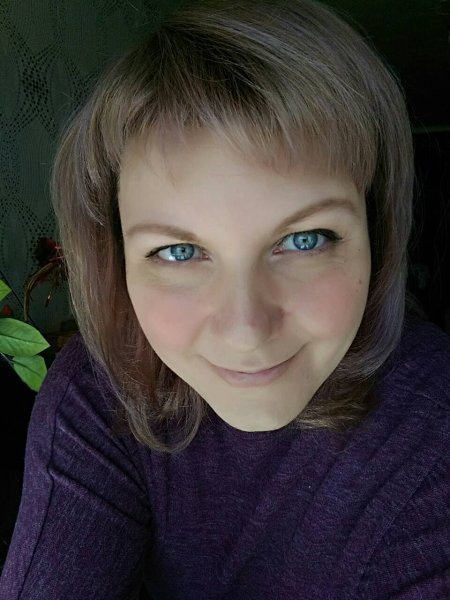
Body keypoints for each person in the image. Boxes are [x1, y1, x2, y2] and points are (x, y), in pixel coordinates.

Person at [1, 0, 449, 598]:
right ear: (116, 257)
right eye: (179, 251)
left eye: (304, 239)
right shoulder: (97, 387)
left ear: (378, 236)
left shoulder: (436, 424)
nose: (245, 330)